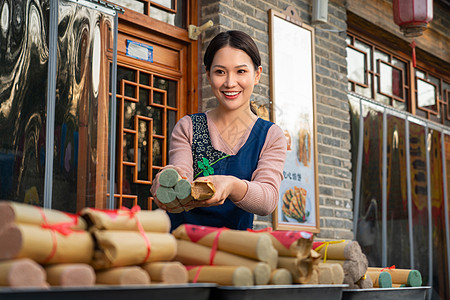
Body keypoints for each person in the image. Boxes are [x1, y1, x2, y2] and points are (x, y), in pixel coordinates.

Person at [150, 30, 287, 231]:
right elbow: (182, 173)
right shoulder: (189, 126)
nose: (230, 83)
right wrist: (169, 178)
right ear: (208, 75)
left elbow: (267, 200)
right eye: (220, 72)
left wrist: (231, 185)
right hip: (181, 247)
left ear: (257, 75)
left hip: (233, 252)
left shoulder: (270, 135)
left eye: (241, 71)